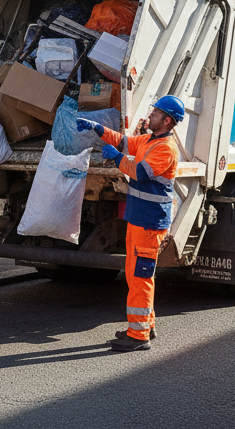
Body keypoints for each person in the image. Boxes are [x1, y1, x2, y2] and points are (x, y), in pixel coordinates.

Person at [78, 95, 185, 352]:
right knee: (135, 275)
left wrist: (117, 158)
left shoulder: (166, 148)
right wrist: (97, 128)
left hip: (149, 222)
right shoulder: (149, 140)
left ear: (167, 120)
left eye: (156, 112)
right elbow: (124, 141)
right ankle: (145, 325)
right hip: (139, 219)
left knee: (140, 278)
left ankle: (138, 336)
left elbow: (140, 172)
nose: (151, 115)